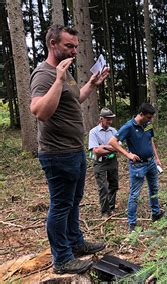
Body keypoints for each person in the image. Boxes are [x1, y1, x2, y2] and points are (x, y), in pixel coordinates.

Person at [30, 24, 108, 274]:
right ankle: (62, 259)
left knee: (74, 201)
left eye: (76, 46)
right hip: (57, 153)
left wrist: (92, 84)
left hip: (74, 150)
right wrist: (58, 79)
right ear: (53, 44)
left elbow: (75, 98)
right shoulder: (44, 74)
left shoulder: (65, 71)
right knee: (61, 204)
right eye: (69, 46)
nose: (74, 51)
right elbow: (40, 111)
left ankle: (76, 242)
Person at [108, 103, 164, 232]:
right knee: (134, 195)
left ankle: (156, 214)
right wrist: (127, 154)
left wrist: (156, 158)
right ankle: (132, 224)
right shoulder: (129, 126)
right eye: (148, 117)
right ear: (141, 114)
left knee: (154, 188)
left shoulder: (147, 125)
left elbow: (150, 141)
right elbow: (112, 141)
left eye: (151, 118)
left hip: (151, 163)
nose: (150, 120)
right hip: (138, 166)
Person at [88, 108, 119, 217]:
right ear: (101, 119)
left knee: (114, 184)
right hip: (99, 162)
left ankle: (111, 207)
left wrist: (103, 147)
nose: (110, 122)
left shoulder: (114, 131)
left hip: (112, 161)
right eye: (107, 119)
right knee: (103, 187)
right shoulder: (94, 132)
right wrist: (111, 147)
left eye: (111, 119)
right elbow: (96, 151)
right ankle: (105, 211)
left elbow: (118, 148)